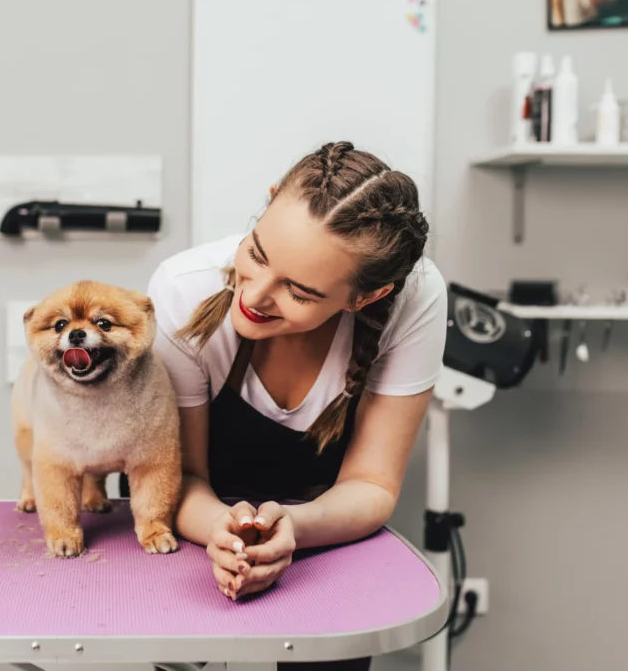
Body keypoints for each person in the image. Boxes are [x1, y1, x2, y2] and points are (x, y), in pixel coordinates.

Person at [123, 141, 446, 670]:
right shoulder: (183, 289)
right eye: (257, 253)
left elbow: (372, 484)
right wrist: (220, 533)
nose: (255, 295)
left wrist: (295, 528)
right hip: (187, 510)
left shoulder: (415, 298)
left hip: (323, 524)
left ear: (366, 297)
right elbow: (180, 474)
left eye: (298, 291)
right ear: (270, 200)